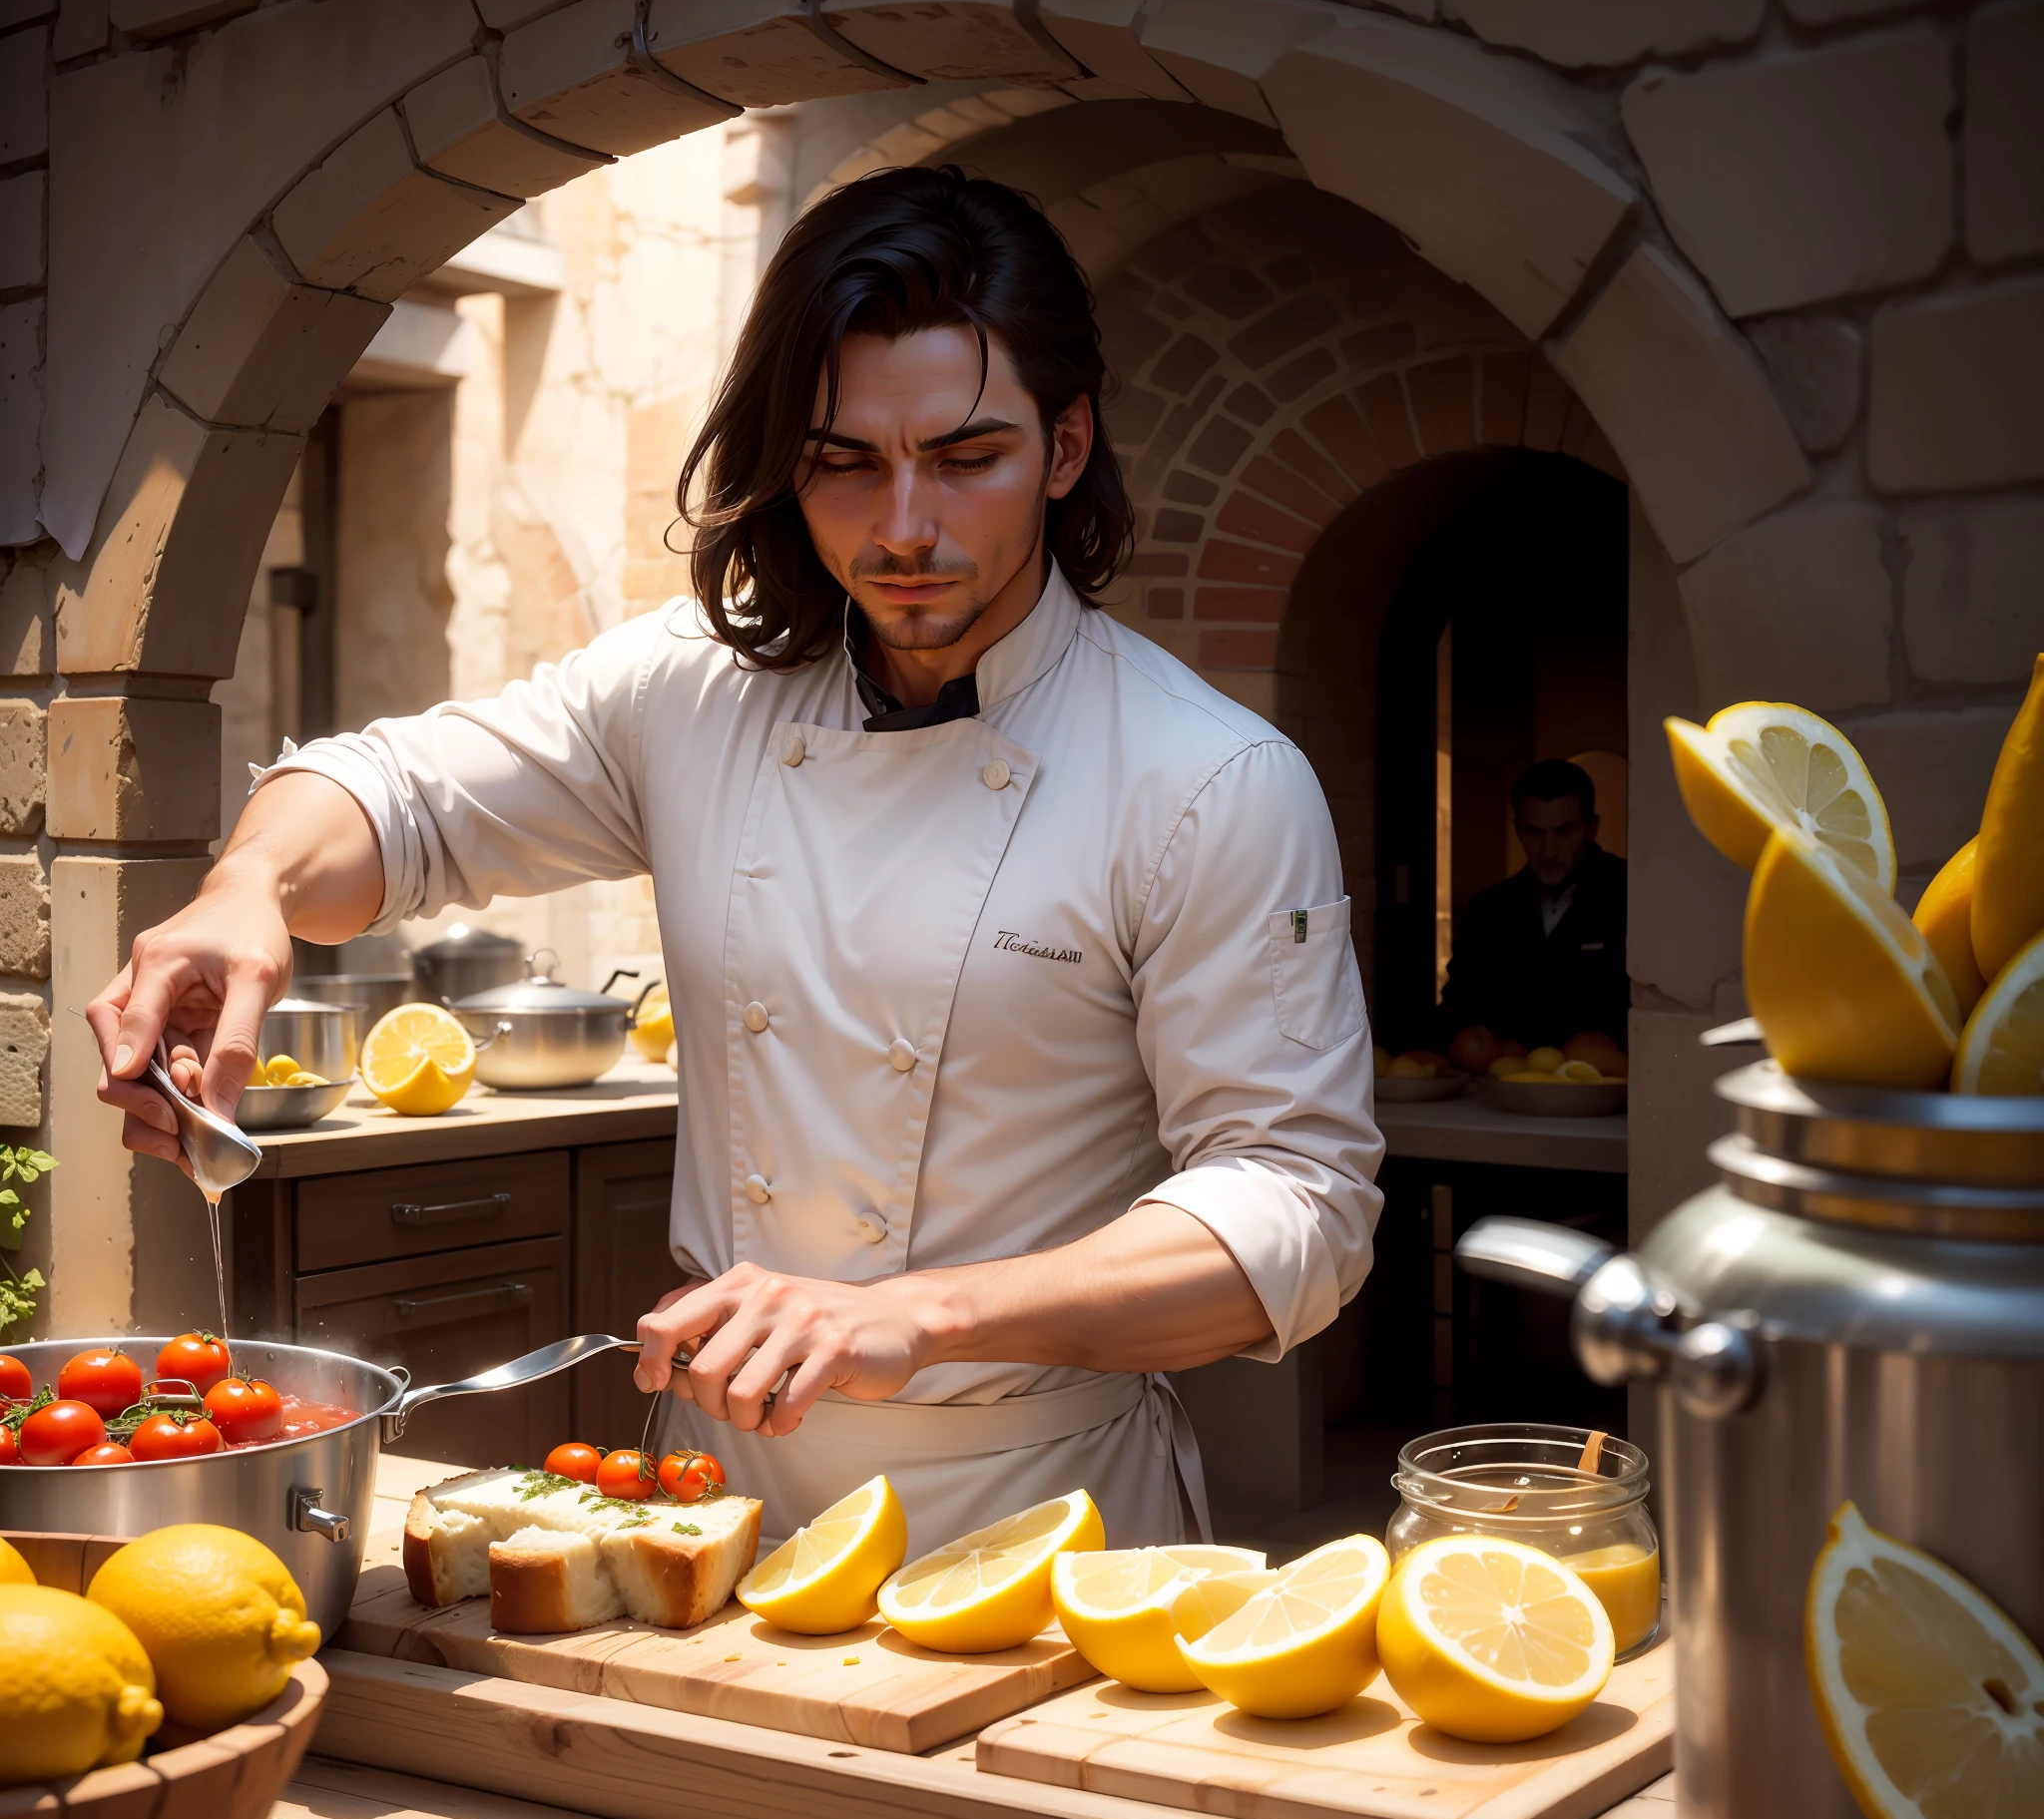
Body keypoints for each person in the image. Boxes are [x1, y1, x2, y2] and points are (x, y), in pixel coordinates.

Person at [88, 167, 1383, 1556]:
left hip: (1040, 1515)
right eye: (842, 462)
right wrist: (245, 890)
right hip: (715, 1499)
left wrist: (916, 1313)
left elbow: (1296, 1207)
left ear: (1067, 448)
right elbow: (396, 797)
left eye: (965, 457)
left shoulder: (1211, 781)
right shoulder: (694, 691)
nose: (901, 529)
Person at [1437, 757, 1628, 1054]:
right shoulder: (1489, 910)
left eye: (1564, 832)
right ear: (1518, 830)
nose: (1548, 851)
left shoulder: (1629, 897)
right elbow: (1457, 1011)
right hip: (1504, 1088)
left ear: (1592, 829)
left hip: (1607, 1089)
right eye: (1535, 833)